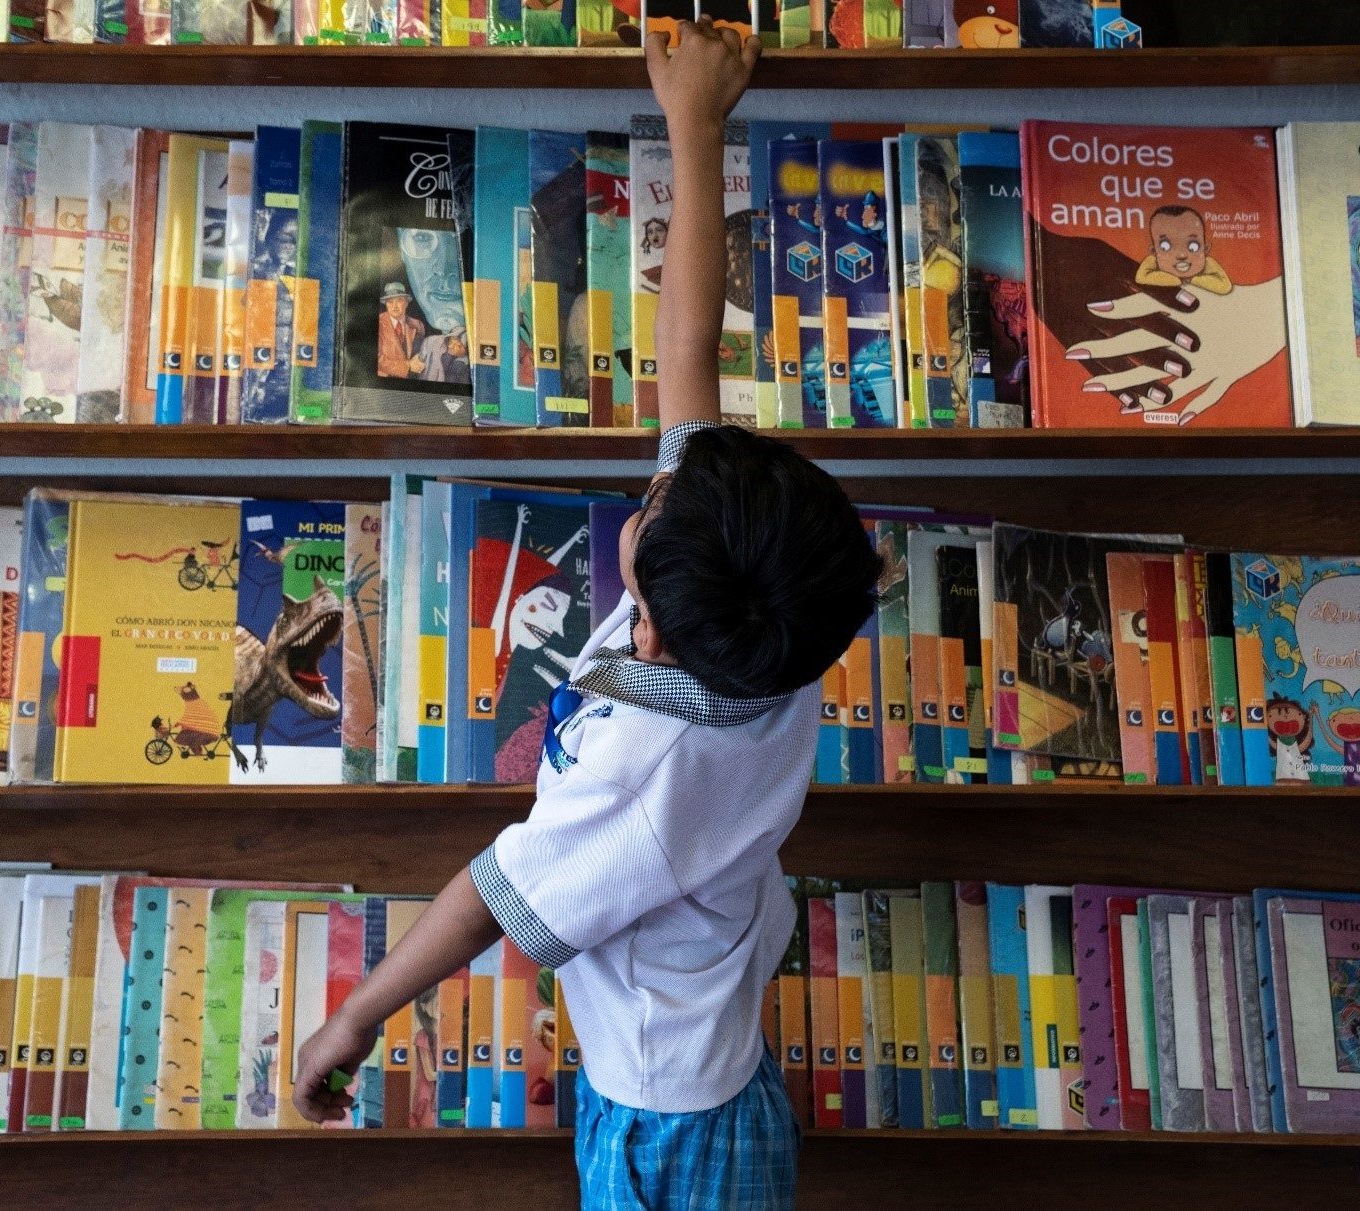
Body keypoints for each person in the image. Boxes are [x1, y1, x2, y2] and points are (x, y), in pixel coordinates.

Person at [292, 21, 880, 1208]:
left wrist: (355, 1012)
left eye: (654, 494)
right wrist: (697, 126)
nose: (655, 473)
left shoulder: (650, 764)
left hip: (671, 1117)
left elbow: (488, 898)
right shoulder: (771, 617)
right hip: (687, 1040)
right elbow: (690, 358)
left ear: (650, 620)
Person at [1135, 206, 1233, 296]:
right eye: (1165, 246)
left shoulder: (1208, 263)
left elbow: (1225, 286)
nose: (1181, 255)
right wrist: (1177, 280)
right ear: (1154, 252)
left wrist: (1192, 280)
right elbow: (1141, 278)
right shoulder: (1152, 261)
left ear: (1205, 249)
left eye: (1193, 246)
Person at [376, 281, 426, 378]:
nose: (394, 306)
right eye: (390, 302)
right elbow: (376, 360)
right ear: (386, 304)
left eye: (399, 300)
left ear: (406, 303)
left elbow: (422, 353)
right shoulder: (379, 323)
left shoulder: (417, 325)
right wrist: (407, 366)